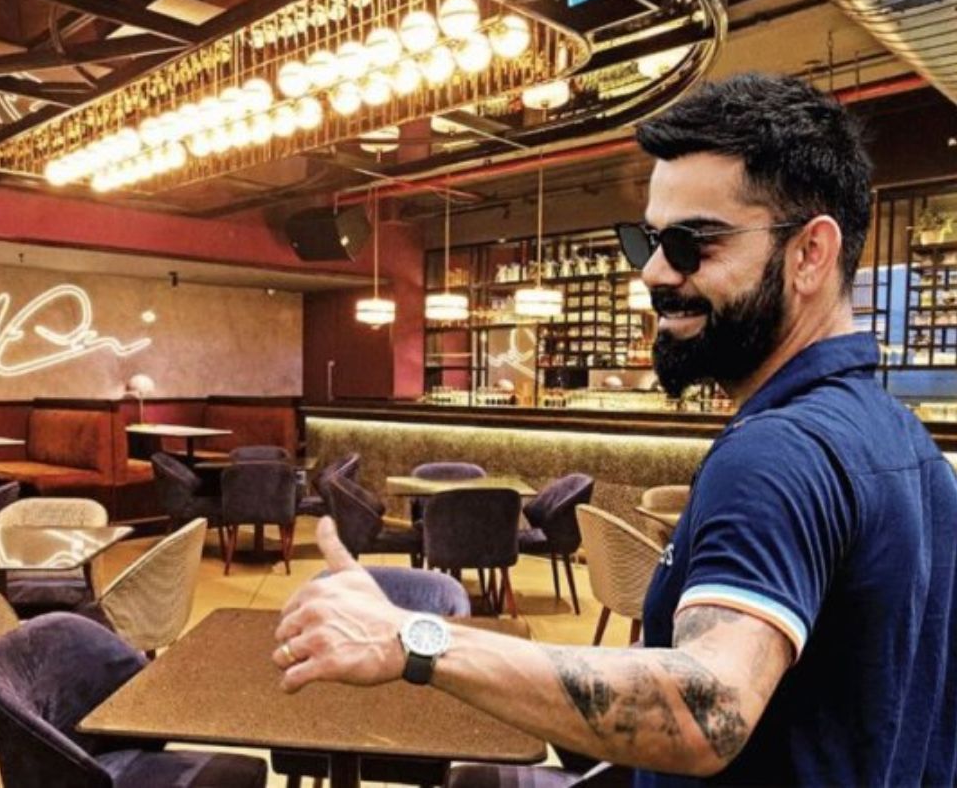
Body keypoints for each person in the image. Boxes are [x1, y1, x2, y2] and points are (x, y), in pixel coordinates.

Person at [274, 73, 957, 786]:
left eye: (694, 243)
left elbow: (707, 708)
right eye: (648, 242)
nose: (655, 273)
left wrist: (413, 638)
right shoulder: (905, 442)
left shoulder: (777, 453)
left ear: (810, 253)